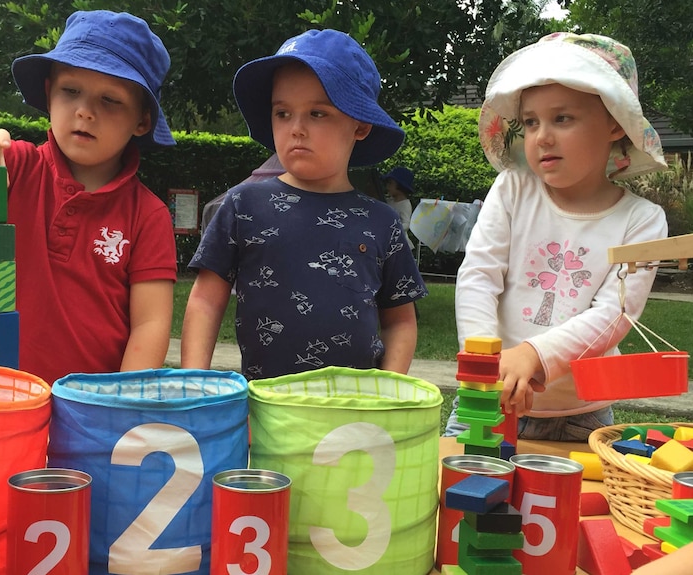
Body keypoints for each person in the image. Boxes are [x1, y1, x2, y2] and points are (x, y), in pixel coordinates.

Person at [0, 10, 178, 385]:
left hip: (88, 407)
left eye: (110, 100)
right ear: (49, 94)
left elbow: (150, 323)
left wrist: (119, 402)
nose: (85, 110)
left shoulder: (148, 214)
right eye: (71, 90)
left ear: (142, 121)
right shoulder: (12, 166)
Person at [445, 32, 668, 441]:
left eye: (562, 118)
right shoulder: (513, 190)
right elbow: (479, 276)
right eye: (531, 122)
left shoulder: (643, 220)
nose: (542, 136)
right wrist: (485, 362)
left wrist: (535, 354)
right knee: (465, 493)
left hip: (583, 414)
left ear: (614, 123)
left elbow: (613, 314)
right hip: (489, 399)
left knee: (579, 504)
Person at [181, 29, 427, 380]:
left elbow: (400, 320)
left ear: (359, 126)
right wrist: (195, 382)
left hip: (356, 416)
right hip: (264, 408)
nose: (296, 128)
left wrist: (388, 389)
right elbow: (206, 300)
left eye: (317, 114)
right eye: (282, 113)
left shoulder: (381, 221)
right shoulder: (243, 205)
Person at [382, 166, 416, 250]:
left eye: (390, 183)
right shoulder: (388, 201)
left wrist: (393, 228)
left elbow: (406, 224)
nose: (387, 186)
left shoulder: (405, 204)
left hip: (400, 243)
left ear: (400, 186)